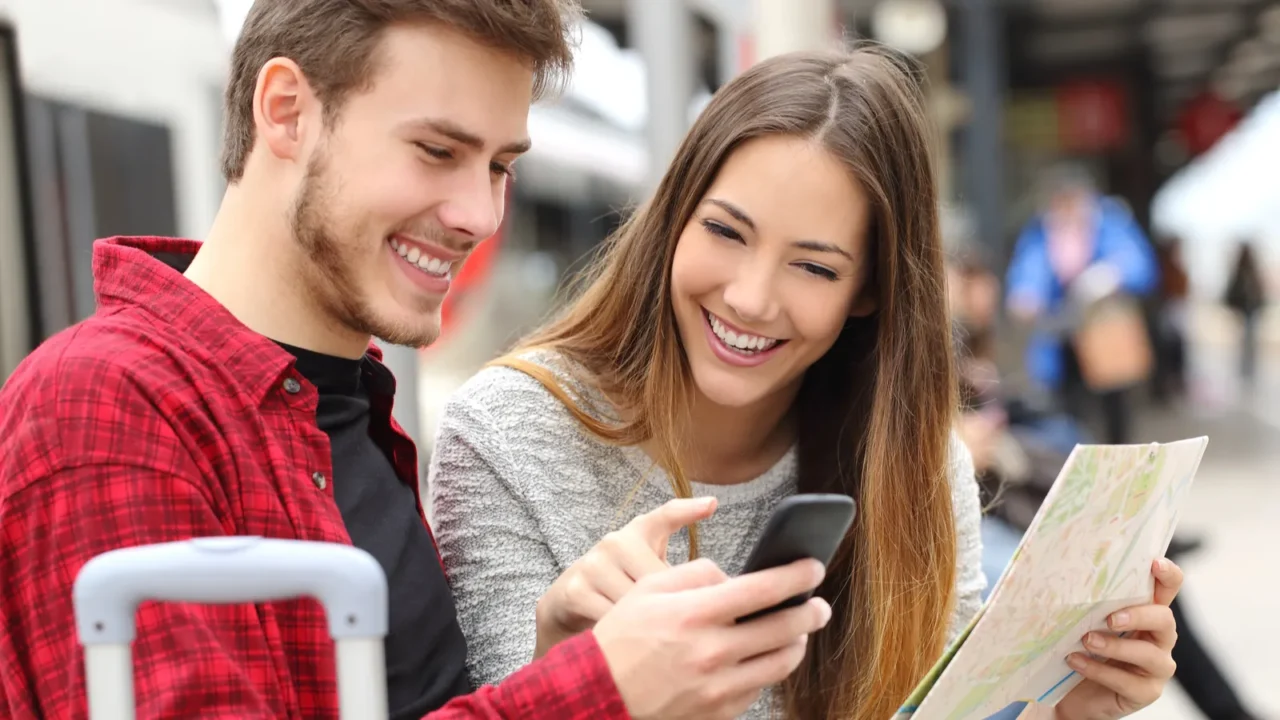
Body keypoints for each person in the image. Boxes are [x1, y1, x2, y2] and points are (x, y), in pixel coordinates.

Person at [0, 2, 831, 719]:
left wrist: (556, 666)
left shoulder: (345, 409)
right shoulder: (102, 404)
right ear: (286, 111)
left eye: (500, 166)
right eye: (437, 151)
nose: (478, 214)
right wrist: (597, 690)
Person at [429, 47, 1185, 720]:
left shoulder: (915, 466)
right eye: (725, 232)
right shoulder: (507, 434)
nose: (751, 299)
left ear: (870, 291)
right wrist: (588, 677)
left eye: (814, 267)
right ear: (673, 220)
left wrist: (1061, 712)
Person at [1005, 165, 1159, 445]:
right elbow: (1029, 271)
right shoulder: (1040, 232)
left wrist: (1111, 274)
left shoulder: (1111, 223)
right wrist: (1025, 293)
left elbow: (1139, 264)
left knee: (1114, 414)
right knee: (1066, 412)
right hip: (1060, 339)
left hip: (1104, 336)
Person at [1223, 239, 1267, 386]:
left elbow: (1259, 293)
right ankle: (1244, 370)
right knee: (1245, 342)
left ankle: (1248, 371)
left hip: (1251, 311)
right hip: (1243, 312)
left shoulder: (1251, 271)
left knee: (1249, 342)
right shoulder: (1241, 271)